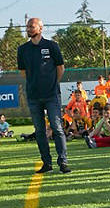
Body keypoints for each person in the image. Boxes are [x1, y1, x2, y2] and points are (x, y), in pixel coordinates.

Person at [17, 17, 71, 174]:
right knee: (39, 130)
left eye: (32, 26)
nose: (28, 29)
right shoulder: (23, 49)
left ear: (40, 28)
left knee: (57, 127)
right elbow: (23, 71)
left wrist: (52, 83)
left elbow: (61, 67)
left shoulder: (52, 46)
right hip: (33, 96)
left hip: (52, 95)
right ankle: (46, 163)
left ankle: (63, 162)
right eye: (27, 26)